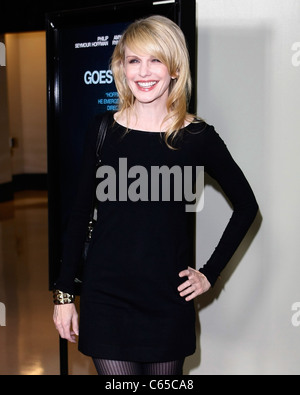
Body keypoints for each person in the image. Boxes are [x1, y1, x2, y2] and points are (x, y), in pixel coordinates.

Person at [53, 15, 258, 375]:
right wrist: (64, 295)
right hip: (107, 300)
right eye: (134, 60)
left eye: (156, 60)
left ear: (175, 68)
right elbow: (78, 214)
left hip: (167, 302)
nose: (144, 72)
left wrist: (210, 274)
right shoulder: (101, 131)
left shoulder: (197, 136)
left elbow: (246, 206)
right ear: (122, 67)